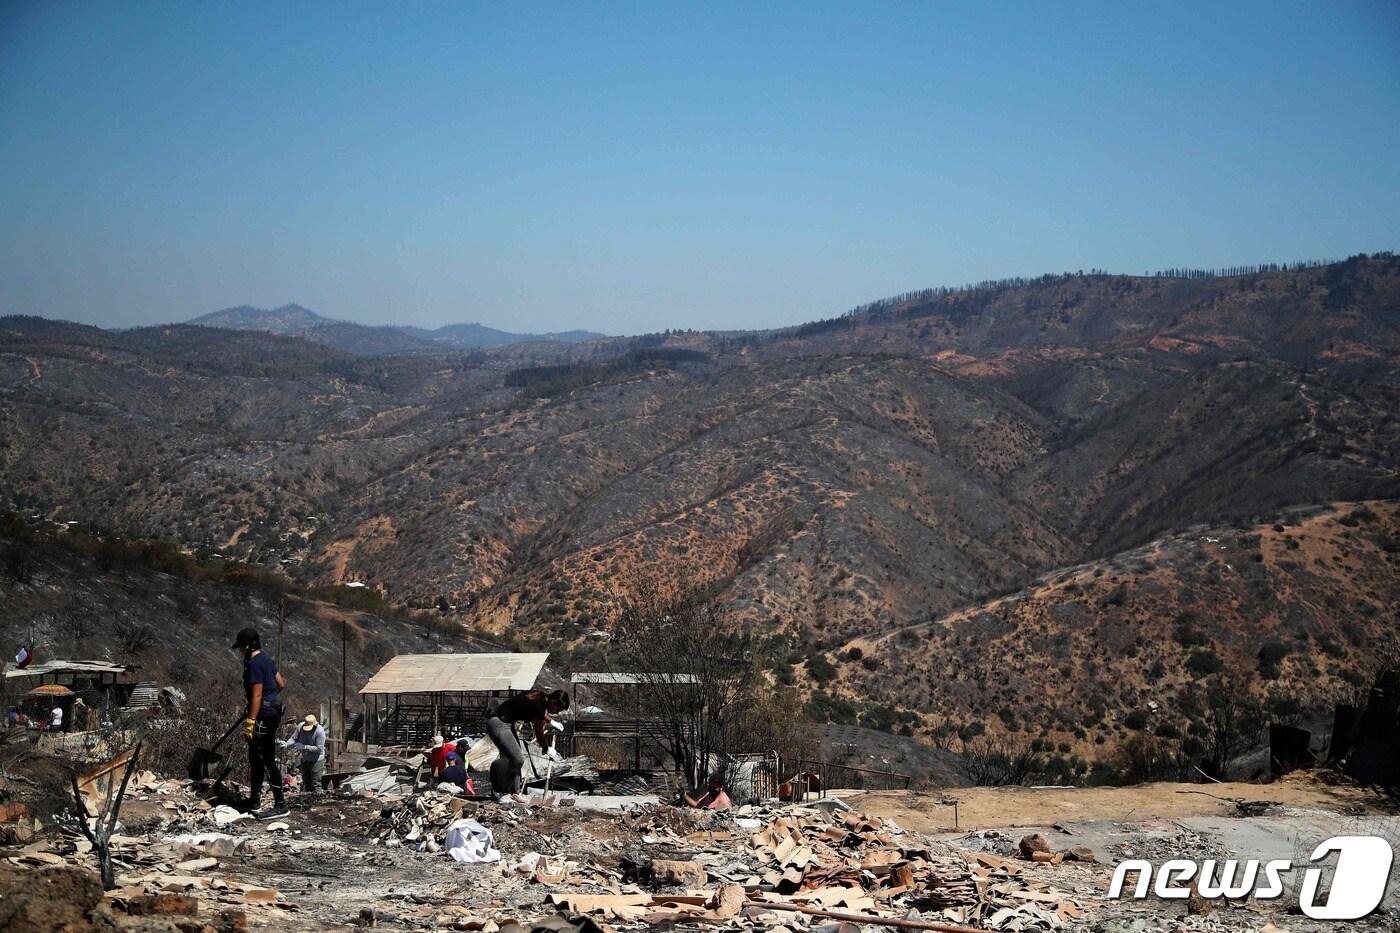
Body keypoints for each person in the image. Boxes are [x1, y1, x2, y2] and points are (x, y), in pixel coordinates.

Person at [232, 626, 288, 819]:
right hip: (271, 711)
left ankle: (280, 804)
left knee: (265, 758)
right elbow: (281, 683)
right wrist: (270, 700)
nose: (240, 651)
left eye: (240, 647)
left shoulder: (255, 664)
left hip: (263, 715)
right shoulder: (267, 659)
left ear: (248, 646)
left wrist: (251, 721)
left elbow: (256, 696)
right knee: (255, 757)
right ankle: (254, 799)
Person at [486, 689, 569, 803]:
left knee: (514, 758)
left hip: (506, 724)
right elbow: (539, 732)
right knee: (517, 758)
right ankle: (501, 791)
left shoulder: (539, 696)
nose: (557, 713)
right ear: (553, 702)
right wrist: (546, 748)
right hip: (499, 724)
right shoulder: (539, 705)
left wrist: (551, 721)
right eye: (558, 709)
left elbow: (538, 713)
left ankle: (515, 792)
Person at [287, 714, 326, 796]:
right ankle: (307, 801)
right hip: (305, 758)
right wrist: (286, 744)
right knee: (306, 782)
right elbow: (294, 738)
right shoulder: (301, 726)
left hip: (316, 760)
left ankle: (318, 802)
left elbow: (319, 748)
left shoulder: (320, 732)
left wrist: (304, 747)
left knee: (315, 783)